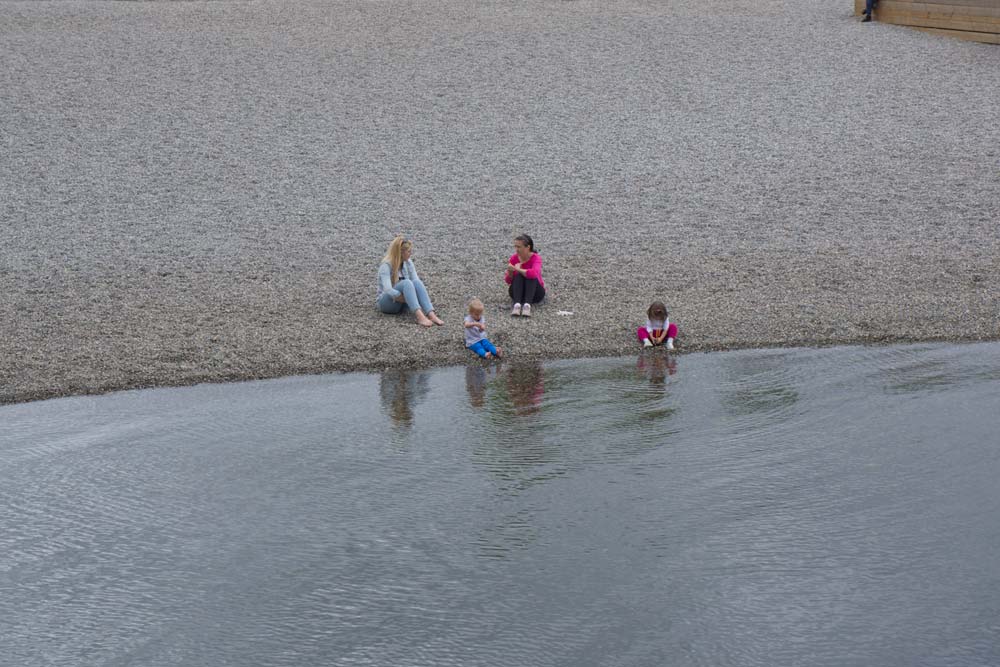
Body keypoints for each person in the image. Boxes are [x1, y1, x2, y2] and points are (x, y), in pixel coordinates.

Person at [376, 235, 445, 327]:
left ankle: (431, 314)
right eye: (409, 251)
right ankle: (420, 317)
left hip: (402, 304)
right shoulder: (386, 266)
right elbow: (388, 290)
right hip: (387, 303)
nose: (410, 253)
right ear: (401, 253)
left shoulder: (408, 262)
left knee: (416, 282)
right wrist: (408, 298)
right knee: (406, 282)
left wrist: (413, 297)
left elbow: (416, 281)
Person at [504, 234, 545, 317]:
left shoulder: (536, 258)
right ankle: (517, 305)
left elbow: (534, 274)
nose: (516, 249)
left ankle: (527, 306)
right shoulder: (514, 258)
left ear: (528, 247)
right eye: (515, 246)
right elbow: (508, 281)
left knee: (530, 276)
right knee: (518, 276)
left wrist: (518, 269)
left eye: (519, 247)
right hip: (518, 293)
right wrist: (510, 272)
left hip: (535, 294)